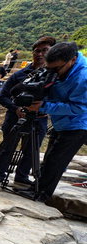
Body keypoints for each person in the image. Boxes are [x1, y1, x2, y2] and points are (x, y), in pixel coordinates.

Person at [25, 42, 87, 202]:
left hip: (78, 124)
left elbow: (80, 107)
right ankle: (36, 188)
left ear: (72, 60)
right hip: (61, 121)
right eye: (49, 68)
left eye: (56, 69)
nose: (53, 73)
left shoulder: (83, 77)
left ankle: (42, 194)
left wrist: (45, 106)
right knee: (49, 157)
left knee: (56, 160)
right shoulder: (59, 69)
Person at [0, 36, 56, 186]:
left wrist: (45, 107)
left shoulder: (54, 75)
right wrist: (16, 108)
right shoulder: (19, 75)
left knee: (31, 151)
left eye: (45, 51)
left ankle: (22, 176)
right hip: (15, 118)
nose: (40, 54)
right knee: (8, 147)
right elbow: (2, 96)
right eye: (37, 51)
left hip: (39, 118)